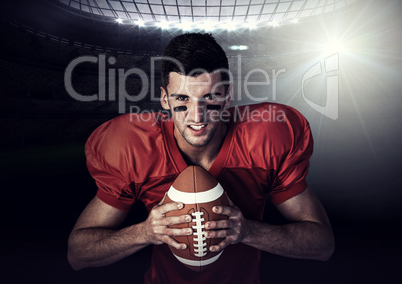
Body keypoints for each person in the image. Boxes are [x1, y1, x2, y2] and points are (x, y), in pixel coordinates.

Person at [67, 33, 334, 284]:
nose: (197, 116)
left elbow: (322, 245)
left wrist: (248, 231)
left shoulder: (264, 141)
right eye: (182, 98)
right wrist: (145, 233)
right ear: (164, 99)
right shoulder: (134, 147)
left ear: (228, 96)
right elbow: (78, 254)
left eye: (210, 97)